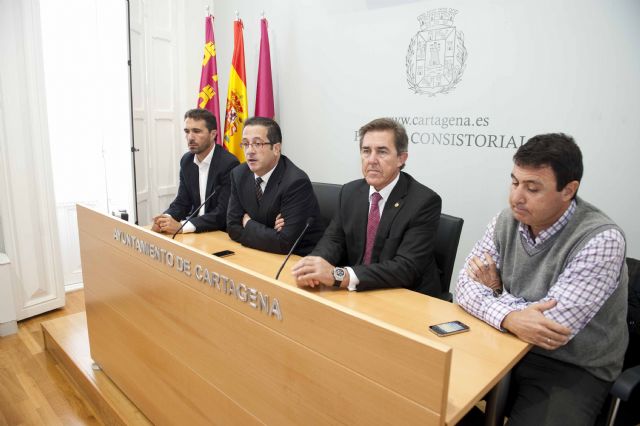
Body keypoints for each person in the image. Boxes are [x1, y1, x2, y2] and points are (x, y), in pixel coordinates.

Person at [456, 133, 628, 425]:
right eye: (514, 183)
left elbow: (550, 330)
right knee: (424, 395)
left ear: (568, 190)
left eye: (532, 188)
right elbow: (464, 286)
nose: (516, 197)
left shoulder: (601, 239)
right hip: (502, 338)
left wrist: (496, 292)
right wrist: (511, 317)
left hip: (569, 364)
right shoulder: (505, 220)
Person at [291, 118, 442, 295]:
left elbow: (405, 268)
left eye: (382, 152)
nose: (371, 160)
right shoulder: (350, 192)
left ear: (401, 158)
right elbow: (334, 240)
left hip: (404, 295)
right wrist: (313, 267)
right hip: (359, 290)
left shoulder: (424, 202)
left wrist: (340, 276)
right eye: (366, 151)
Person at [226, 116, 324, 255]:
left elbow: (284, 243)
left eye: (257, 144)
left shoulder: (295, 182)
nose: (249, 151)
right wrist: (271, 232)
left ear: (276, 148)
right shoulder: (239, 174)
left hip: (296, 259)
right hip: (258, 253)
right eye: (245, 144)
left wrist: (248, 223)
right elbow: (232, 227)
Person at [152, 109, 239, 234]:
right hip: (194, 230)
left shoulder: (228, 164)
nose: (190, 137)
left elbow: (222, 212)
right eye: (187, 131)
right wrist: (165, 219)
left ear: (213, 134)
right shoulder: (186, 161)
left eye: (197, 131)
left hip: (219, 232)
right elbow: (182, 202)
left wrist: (182, 227)